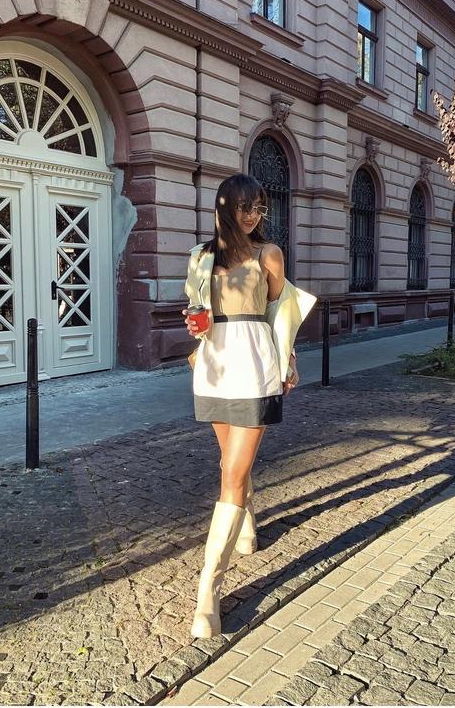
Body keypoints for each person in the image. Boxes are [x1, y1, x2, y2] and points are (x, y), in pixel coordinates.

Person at [183, 173, 316, 638]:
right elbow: (194, 309)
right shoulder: (200, 257)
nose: (253, 215)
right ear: (225, 208)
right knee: (229, 463)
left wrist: (289, 360)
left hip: (255, 364)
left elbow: (280, 312)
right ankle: (246, 524)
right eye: (245, 207)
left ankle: (208, 590)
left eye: (259, 207)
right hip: (215, 365)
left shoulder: (268, 254)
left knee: (232, 474)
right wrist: (194, 324)